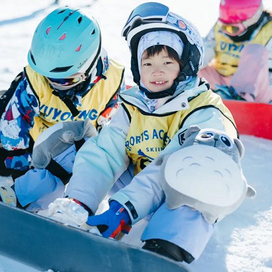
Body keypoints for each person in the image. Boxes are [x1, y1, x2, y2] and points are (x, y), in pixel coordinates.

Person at [45, 2, 256, 264]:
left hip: (183, 199)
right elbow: (105, 153)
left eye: (168, 61)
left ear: (186, 66)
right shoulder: (134, 106)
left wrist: (126, 208)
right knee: (81, 142)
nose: (157, 71)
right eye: (148, 62)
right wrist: (81, 200)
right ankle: (66, 207)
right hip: (138, 192)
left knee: (200, 166)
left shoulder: (205, 110)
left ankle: (163, 251)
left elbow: (169, 168)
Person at [0, 7, 125, 181]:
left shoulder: (113, 83)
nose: (53, 84)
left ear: (88, 68)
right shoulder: (35, 82)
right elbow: (12, 128)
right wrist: (18, 174)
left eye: (65, 80)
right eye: (47, 76)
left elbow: (115, 131)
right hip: (33, 152)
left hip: (75, 157)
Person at [199, 0, 272, 103]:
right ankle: (195, 98)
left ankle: (240, 100)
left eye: (233, 29)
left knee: (255, 51)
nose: (226, 32)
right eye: (223, 27)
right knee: (195, 64)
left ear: (251, 22)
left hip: (256, 91)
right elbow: (205, 51)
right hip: (222, 85)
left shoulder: (268, 32)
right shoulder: (219, 28)